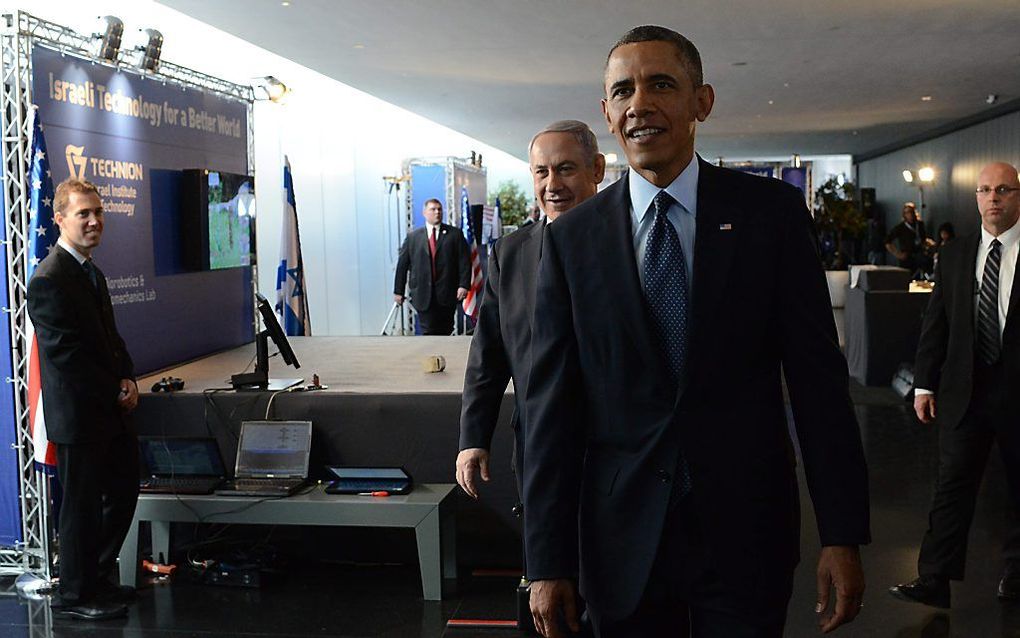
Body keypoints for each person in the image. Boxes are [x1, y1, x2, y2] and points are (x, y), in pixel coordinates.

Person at [523, 26, 870, 638]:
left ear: (701, 102)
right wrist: (547, 561)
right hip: (619, 536)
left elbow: (818, 385)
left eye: (661, 84)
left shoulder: (771, 217)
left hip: (746, 531)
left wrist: (841, 532)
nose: (640, 104)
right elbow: (551, 408)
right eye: (623, 90)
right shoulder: (570, 241)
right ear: (606, 112)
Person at [890, 162, 1020, 608]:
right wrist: (924, 384)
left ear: (1017, 195)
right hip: (966, 390)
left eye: (1003, 189)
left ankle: (1017, 572)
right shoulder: (958, 254)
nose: (993, 198)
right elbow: (937, 323)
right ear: (977, 198)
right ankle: (934, 578)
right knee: (952, 486)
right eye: (985, 190)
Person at [457, 120, 606, 508]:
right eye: (542, 171)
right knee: (544, 566)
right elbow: (487, 355)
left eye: (566, 168)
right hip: (540, 452)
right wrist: (473, 438)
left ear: (597, 170)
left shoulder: (629, 245)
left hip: (620, 456)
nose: (552, 184)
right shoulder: (509, 254)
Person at [27, 178, 140, 621]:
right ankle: (75, 594)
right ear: (59, 219)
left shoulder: (92, 272)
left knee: (124, 490)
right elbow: (68, 356)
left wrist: (128, 376)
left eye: (98, 213)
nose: (94, 221)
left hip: (110, 412)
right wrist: (114, 389)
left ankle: (99, 578)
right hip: (79, 417)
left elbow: (109, 340)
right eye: (82, 214)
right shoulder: (49, 278)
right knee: (79, 509)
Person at [393, 198, 471, 335]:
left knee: (446, 331)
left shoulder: (455, 234)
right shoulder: (413, 238)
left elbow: (464, 262)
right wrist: (398, 291)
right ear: (424, 213)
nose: (437, 212)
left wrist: (463, 285)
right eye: (433, 209)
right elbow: (402, 265)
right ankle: (431, 357)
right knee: (428, 331)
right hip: (423, 294)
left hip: (447, 294)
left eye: (439, 209)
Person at [886, 202, 929, 272]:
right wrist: (898, 254)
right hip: (907, 257)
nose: (910, 214)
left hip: (919, 254)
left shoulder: (920, 225)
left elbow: (924, 239)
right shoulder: (900, 227)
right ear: (904, 215)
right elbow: (887, 241)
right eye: (907, 212)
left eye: (912, 212)